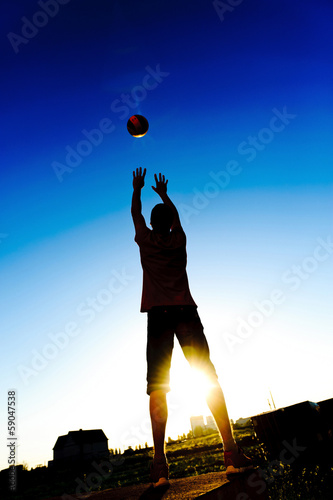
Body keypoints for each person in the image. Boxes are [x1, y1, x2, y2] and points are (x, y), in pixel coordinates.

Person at [131, 167, 253, 487]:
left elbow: (135, 215)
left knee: (159, 387)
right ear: (169, 223)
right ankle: (231, 454)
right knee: (208, 376)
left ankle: (160, 466)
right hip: (185, 311)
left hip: (158, 315)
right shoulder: (179, 239)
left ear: (152, 224)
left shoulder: (145, 240)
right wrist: (164, 194)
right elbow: (176, 219)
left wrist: (137, 189)